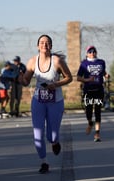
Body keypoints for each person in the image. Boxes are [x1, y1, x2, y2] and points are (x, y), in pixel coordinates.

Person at [18, 34, 72, 174]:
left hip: (55, 102)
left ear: (51, 46)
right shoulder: (32, 61)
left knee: (52, 136)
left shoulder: (57, 61)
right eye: (42, 42)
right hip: (38, 101)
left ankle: (55, 142)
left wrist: (56, 84)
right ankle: (44, 162)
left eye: (47, 42)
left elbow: (69, 78)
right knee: (38, 134)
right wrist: (20, 78)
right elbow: (26, 82)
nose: (44, 45)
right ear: (38, 46)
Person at [76, 46, 109, 142]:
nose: (92, 53)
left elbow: (103, 72)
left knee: (98, 111)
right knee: (89, 111)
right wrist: (87, 80)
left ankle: (97, 134)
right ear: (87, 53)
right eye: (90, 51)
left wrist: (106, 75)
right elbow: (78, 77)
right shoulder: (84, 64)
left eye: (94, 51)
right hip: (88, 90)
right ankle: (90, 123)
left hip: (99, 90)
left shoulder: (101, 62)